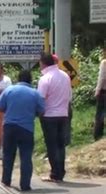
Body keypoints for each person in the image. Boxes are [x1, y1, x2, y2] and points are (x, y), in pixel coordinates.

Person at [0, 70, 45, 191]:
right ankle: (25, 185)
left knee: (8, 155)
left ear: (18, 79)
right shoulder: (35, 93)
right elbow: (42, 111)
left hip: (9, 127)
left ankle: (6, 180)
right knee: (26, 157)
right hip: (27, 128)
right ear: (30, 79)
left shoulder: (9, 90)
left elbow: (0, 107)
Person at [38, 53, 72, 183]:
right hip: (63, 115)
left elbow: (40, 100)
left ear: (43, 63)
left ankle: (55, 174)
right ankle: (61, 172)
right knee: (60, 145)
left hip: (49, 116)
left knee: (51, 145)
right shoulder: (65, 76)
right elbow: (69, 96)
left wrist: (38, 114)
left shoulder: (45, 78)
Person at [94, 47, 106, 141]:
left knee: (100, 114)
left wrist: (97, 90)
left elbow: (102, 78)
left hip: (104, 91)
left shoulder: (104, 63)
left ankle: (98, 135)